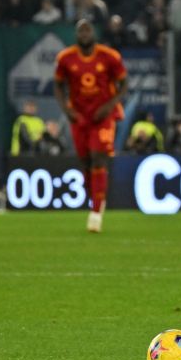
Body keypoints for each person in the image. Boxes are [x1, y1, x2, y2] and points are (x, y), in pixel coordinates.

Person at [54, 19, 128, 233]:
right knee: (85, 162)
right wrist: (68, 111)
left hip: (103, 115)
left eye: (88, 29)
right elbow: (58, 86)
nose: (85, 33)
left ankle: (96, 212)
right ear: (76, 35)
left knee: (98, 157)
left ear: (94, 33)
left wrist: (110, 105)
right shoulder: (65, 58)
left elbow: (124, 84)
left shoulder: (110, 57)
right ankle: (96, 197)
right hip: (79, 117)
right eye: (81, 30)